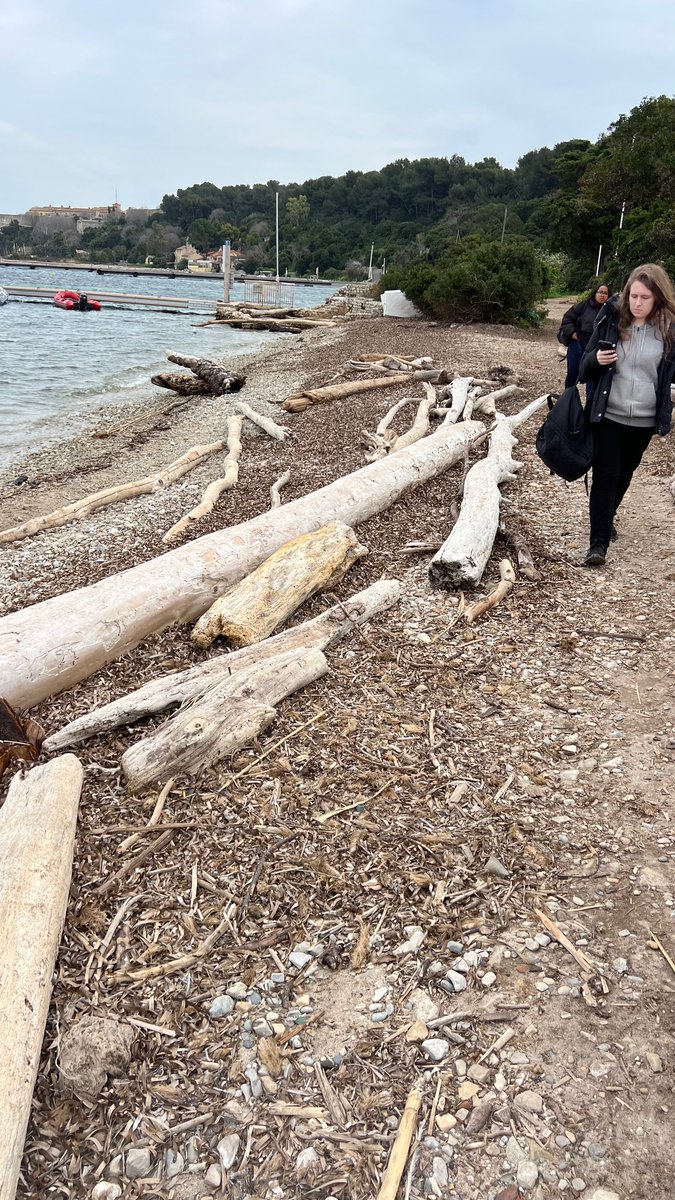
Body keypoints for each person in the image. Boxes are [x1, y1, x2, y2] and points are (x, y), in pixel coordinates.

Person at [578, 263, 675, 566]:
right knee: (605, 475)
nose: (637, 303)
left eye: (645, 297)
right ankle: (598, 542)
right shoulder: (610, 318)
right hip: (609, 415)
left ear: (658, 297)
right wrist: (596, 359)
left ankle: (608, 516)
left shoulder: (669, 329)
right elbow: (583, 367)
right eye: (633, 295)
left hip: (645, 420)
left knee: (624, 473)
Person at [559, 283, 610, 390]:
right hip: (578, 345)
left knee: (593, 380)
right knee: (572, 375)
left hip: (596, 350)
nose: (602, 295)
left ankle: (590, 406)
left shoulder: (610, 310)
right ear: (595, 293)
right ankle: (568, 402)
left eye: (605, 293)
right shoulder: (583, 305)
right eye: (600, 292)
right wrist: (572, 333)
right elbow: (567, 319)